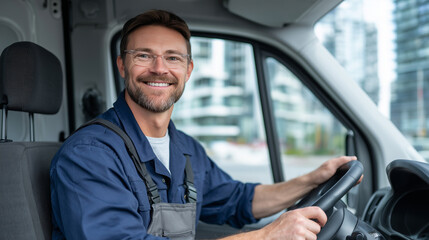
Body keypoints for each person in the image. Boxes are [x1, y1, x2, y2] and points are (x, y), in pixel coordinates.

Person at [50, 9, 360, 240]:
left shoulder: (185, 150)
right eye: (144, 55)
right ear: (122, 65)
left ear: (188, 70)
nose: (159, 69)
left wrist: (311, 180)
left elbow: (238, 200)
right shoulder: (89, 155)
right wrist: (266, 236)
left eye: (173, 58)